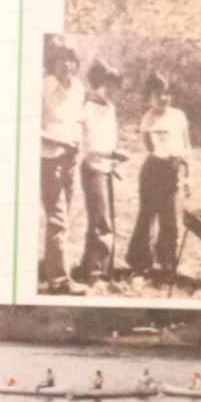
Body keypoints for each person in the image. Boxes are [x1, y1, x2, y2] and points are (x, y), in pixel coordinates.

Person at [122, 74, 191, 281]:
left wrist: (189, 175)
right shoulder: (148, 118)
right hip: (154, 171)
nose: (164, 98)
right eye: (158, 94)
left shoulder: (179, 115)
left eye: (167, 93)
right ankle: (140, 262)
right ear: (150, 96)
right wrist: (169, 156)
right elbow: (153, 147)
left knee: (169, 218)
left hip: (173, 170)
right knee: (147, 216)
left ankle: (167, 263)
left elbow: (187, 146)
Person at [38, 40, 87, 294]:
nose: (67, 64)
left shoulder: (78, 88)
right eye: (61, 59)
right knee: (58, 219)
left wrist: (76, 141)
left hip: (71, 158)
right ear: (52, 63)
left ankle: (50, 268)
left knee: (62, 217)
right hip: (49, 158)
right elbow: (30, 127)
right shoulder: (42, 88)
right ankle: (59, 281)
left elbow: (77, 119)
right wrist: (59, 140)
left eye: (71, 59)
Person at [77, 62, 121, 284]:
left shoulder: (110, 108)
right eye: (107, 85)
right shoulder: (89, 107)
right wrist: (111, 153)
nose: (110, 90)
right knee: (101, 220)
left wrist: (115, 154)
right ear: (99, 84)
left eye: (115, 86)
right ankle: (95, 274)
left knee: (101, 217)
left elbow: (109, 139)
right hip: (93, 167)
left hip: (106, 167)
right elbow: (91, 144)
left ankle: (92, 265)